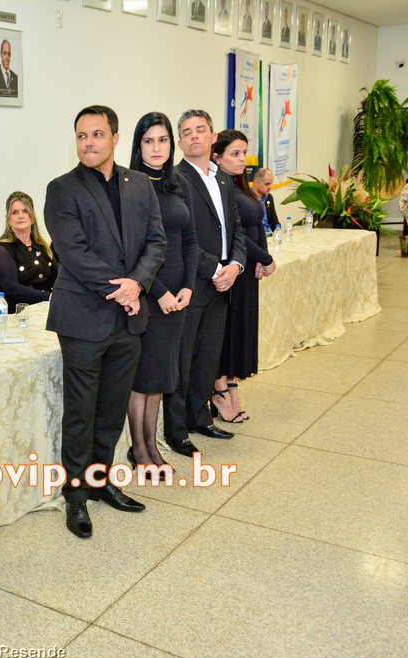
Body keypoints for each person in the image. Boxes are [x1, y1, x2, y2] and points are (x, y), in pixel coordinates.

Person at [44, 105, 166, 539]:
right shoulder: (62, 189)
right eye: (81, 135)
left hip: (128, 319)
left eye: (97, 134)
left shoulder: (140, 185)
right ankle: (75, 495)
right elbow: (73, 252)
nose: (88, 142)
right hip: (83, 317)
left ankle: (101, 480)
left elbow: (156, 242)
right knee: (81, 412)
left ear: (115, 138)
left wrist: (139, 283)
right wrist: (124, 290)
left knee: (112, 409)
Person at [164, 110, 245, 458]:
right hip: (192, 281)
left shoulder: (223, 179)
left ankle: (200, 417)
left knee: (207, 358)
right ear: (180, 142)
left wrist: (236, 265)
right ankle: (177, 431)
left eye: (201, 130)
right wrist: (214, 268)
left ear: (213, 137)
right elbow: (179, 236)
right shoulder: (174, 179)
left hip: (223, 281)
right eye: (187, 132)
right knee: (182, 360)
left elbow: (236, 229)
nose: (194, 136)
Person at [126, 113, 199, 479]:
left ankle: (152, 444)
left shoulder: (178, 183)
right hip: (148, 294)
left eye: (163, 140)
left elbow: (191, 240)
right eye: (149, 141)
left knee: (161, 376)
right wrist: (160, 292)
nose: (157, 148)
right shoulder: (130, 186)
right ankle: (139, 449)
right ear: (138, 146)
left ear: (172, 144)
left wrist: (187, 286)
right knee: (143, 377)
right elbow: (132, 250)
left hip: (178, 295)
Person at [209, 131, 275, 424]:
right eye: (234, 154)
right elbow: (234, 233)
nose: (242, 160)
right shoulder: (218, 188)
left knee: (241, 333)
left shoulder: (239, 185)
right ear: (217, 157)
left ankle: (233, 390)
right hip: (233, 268)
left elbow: (257, 225)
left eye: (244, 153)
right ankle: (220, 391)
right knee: (229, 334)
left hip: (248, 269)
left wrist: (262, 257)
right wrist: (265, 258)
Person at [0, 192, 57, 313]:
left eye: (25, 211)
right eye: (15, 212)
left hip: (44, 309)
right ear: (8, 219)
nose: (21, 216)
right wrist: (49, 297)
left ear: (33, 216)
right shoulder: (0, 250)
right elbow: (12, 288)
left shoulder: (42, 247)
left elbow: (57, 278)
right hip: (12, 313)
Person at [252, 167, 280, 232]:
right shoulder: (248, 199)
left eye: (271, 183)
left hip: (270, 234)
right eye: (267, 184)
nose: (270, 187)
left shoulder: (268, 197)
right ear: (256, 183)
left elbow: (274, 222)